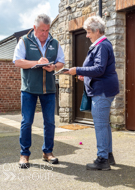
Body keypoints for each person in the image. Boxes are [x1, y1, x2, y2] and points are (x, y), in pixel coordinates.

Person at [65, 16, 119, 170]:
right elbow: (100, 69)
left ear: (97, 31)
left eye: (88, 32)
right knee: (104, 124)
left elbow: (100, 69)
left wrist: (78, 70)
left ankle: (102, 160)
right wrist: (86, 75)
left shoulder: (102, 46)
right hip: (104, 89)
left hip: (102, 91)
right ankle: (108, 155)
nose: (87, 35)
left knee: (101, 125)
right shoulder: (102, 44)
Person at [13, 14, 65, 168]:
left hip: (48, 89)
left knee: (50, 122)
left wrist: (54, 66)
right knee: (26, 122)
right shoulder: (24, 41)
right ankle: (24, 154)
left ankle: (47, 152)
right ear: (35, 27)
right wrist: (37, 62)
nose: (45, 33)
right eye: (42, 30)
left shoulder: (54, 43)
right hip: (29, 89)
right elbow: (17, 61)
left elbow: (61, 62)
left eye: (47, 30)